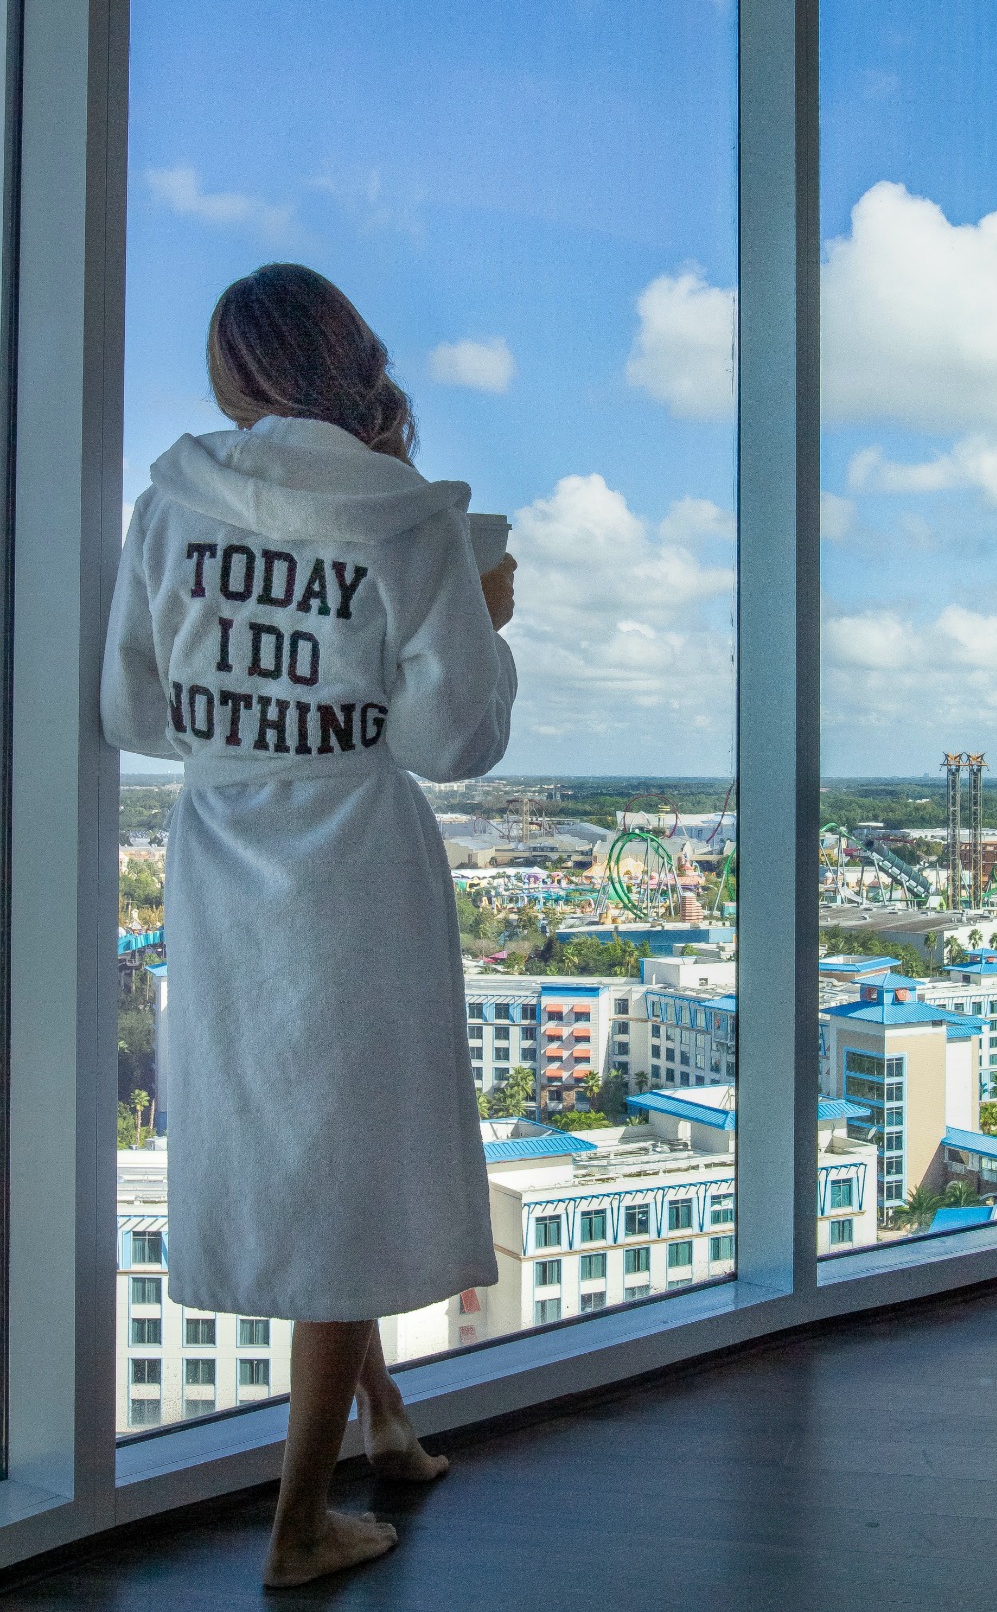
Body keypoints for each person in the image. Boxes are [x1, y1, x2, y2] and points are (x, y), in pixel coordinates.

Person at [101, 263, 518, 1587]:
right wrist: (485, 626)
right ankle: (296, 1527)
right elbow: (457, 740)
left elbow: (134, 712)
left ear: (238, 371)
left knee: (300, 1140)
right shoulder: (407, 520)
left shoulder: (174, 498)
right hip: (353, 866)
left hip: (224, 861)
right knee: (345, 1155)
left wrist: (244, 724)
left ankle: (385, 1424)